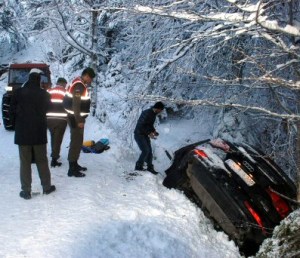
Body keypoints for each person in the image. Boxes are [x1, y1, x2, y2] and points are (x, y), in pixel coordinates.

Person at [10, 68, 56, 200]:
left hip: (23, 134)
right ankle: (46, 187)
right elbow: (50, 109)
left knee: (24, 162)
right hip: (39, 134)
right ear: (39, 79)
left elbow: (11, 111)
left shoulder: (18, 93)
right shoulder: (45, 94)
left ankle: (26, 191)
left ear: (29, 78)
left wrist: (16, 125)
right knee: (42, 161)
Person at [63, 67, 95, 177]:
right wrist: (79, 120)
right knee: (76, 142)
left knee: (77, 141)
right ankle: (72, 169)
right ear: (86, 75)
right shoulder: (79, 86)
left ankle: (75, 163)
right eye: (90, 78)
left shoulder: (78, 82)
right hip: (75, 118)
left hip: (74, 117)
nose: (91, 81)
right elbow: (76, 105)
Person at [134, 101, 165, 175]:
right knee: (145, 150)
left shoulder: (153, 114)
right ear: (158, 108)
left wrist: (154, 131)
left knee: (149, 151)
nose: (161, 111)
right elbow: (142, 125)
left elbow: (149, 125)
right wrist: (149, 133)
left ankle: (150, 168)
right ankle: (138, 167)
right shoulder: (147, 113)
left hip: (144, 134)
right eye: (161, 110)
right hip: (139, 134)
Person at [47, 77, 68, 167]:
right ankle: (54, 159)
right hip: (61, 119)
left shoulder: (49, 91)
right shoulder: (66, 92)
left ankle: (54, 155)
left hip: (49, 119)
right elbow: (69, 106)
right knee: (58, 139)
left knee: (53, 137)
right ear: (63, 84)